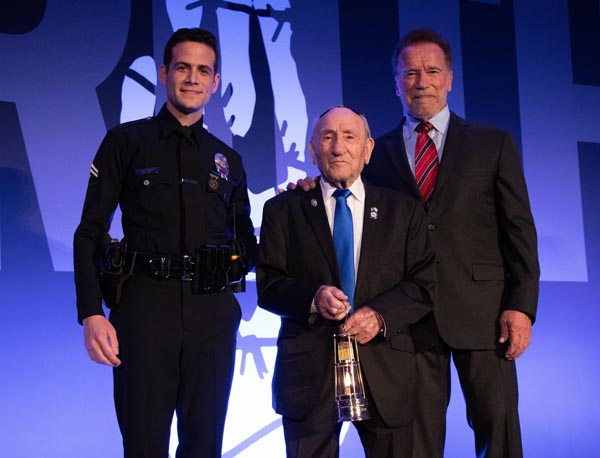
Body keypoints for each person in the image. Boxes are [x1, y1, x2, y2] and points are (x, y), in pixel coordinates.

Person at [292, 28, 539, 458]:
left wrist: (521, 306)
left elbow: (519, 229)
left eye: (431, 71)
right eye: (410, 72)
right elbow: (345, 191)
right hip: (409, 321)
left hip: (483, 315)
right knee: (418, 441)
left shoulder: (491, 143)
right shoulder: (375, 151)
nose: (421, 81)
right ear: (396, 82)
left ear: (449, 79)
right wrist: (313, 185)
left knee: (497, 428)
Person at [74, 28, 257, 457]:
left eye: (203, 70)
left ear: (214, 83)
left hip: (211, 315)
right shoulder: (126, 142)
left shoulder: (227, 160)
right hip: (143, 311)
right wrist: (90, 314)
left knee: (204, 447)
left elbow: (247, 240)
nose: (192, 78)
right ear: (164, 73)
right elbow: (89, 231)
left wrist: (298, 203)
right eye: (183, 67)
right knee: (143, 446)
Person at [257, 106, 435, 457]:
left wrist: (379, 317)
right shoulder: (283, 209)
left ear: (368, 149)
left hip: (385, 367)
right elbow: (268, 285)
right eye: (328, 137)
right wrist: (313, 297)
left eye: (349, 137)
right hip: (309, 370)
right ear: (313, 150)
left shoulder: (404, 211)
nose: (338, 147)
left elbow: (424, 283)